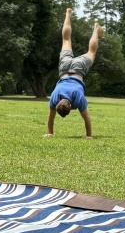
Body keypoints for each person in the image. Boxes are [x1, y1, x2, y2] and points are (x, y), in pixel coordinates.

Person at [44, 8, 103, 138]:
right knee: (66, 40)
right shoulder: (55, 96)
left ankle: (95, 28)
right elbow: (51, 117)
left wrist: (89, 136)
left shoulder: (77, 97)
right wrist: (49, 132)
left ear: (70, 106)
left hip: (78, 70)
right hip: (64, 68)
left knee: (91, 52)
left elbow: (86, 118)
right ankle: (68, 14)